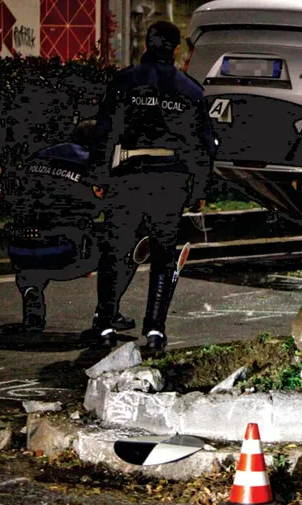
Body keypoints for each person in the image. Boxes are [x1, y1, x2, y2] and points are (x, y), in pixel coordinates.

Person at [88, 21, 217, 350]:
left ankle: (105, 323)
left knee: (115, 252)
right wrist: (199, 189)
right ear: (175, 50)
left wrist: (99, 176)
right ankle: (155, 329)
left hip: (128, 175)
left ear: (146, 44)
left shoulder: (124, 82)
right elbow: (202, 145)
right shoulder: (189, 90)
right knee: (163, 256)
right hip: (169, 179)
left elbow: (104, 133)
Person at [0, 119, 139, 336]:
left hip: (20, 252)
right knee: (129, 247)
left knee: (34, 233)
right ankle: (107, 314)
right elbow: (111, 206)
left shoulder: (39, 156)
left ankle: (31, 296)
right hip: (68, 253)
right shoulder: (95, 164)